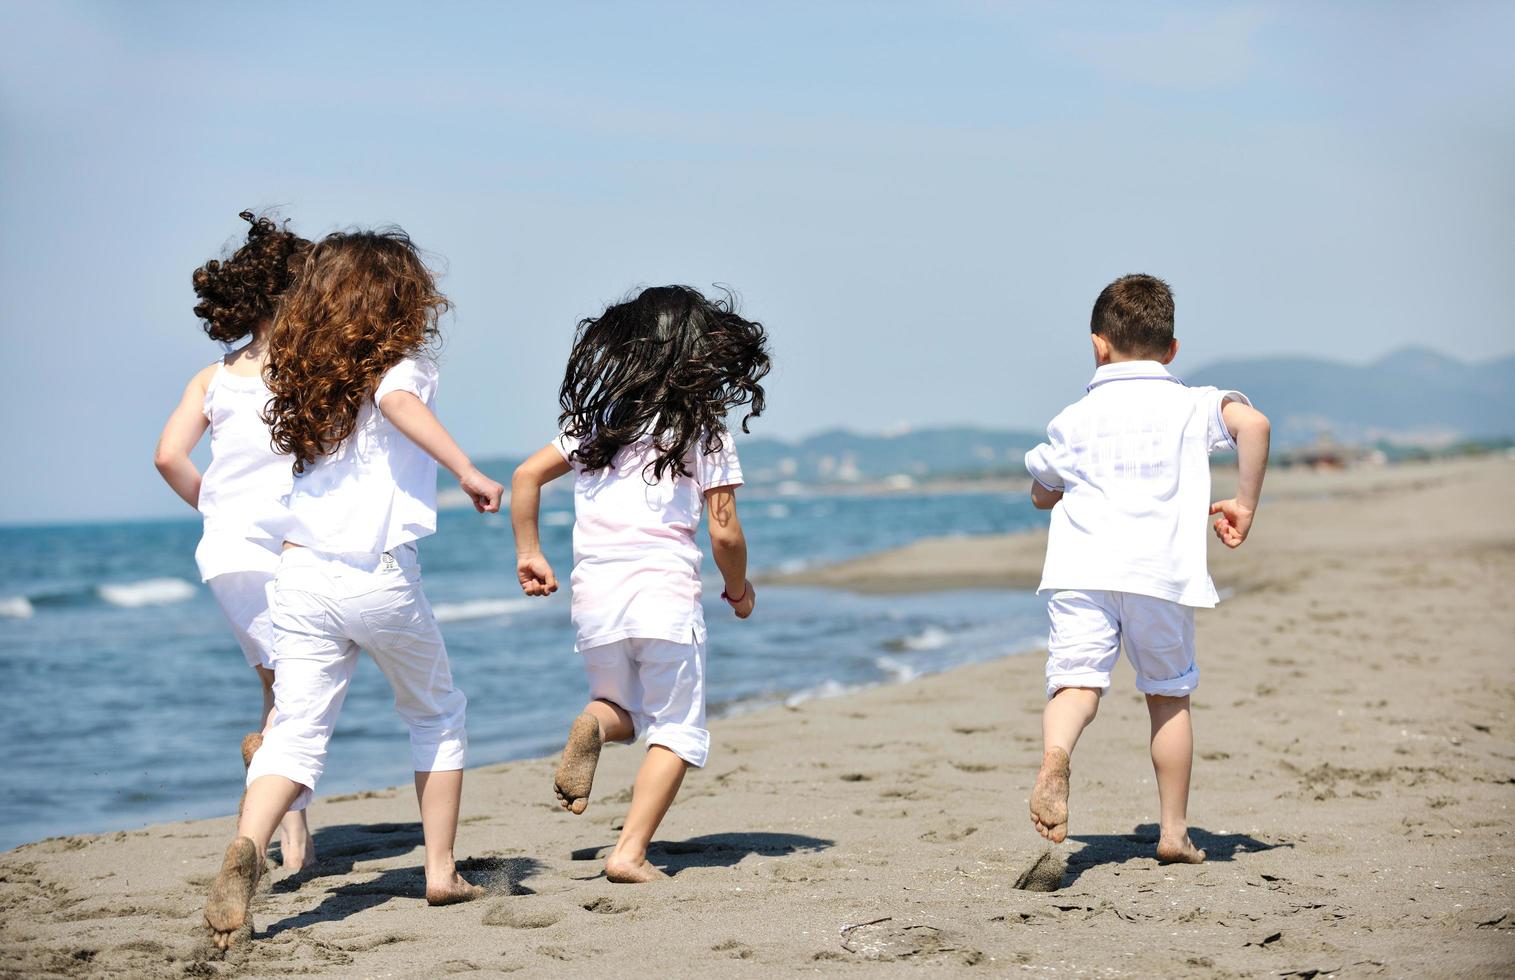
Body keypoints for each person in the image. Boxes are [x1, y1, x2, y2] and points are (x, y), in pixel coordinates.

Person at [202, 228, 505, 949]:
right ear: (400, 299)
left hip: (299, 576)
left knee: (296, 731)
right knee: (436, 711)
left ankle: (248, 845)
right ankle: (439, 870)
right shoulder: (403, 366)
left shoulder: (300, 374)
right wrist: (466, 470)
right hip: (377, 574)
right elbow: (399, 402)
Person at [511, 285, 770, 883]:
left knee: (620, 708)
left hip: (594, 597)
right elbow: (724, 534)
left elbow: (526, 476)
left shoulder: (597, 422)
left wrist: (530, 552)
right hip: (664, 595)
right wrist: (738, 590)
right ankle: (628, 853)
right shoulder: (703, 431)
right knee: (677, 727)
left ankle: (594, 726)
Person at [1022, 273, 1271, 864]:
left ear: (1097, 345)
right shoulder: (1192, 403)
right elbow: (1254, 426)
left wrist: (1053, 492)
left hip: (1080, 569)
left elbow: (1041, 489)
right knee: (1167, 695)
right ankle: (1173, 833)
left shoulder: (1074, 417)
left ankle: (1057, 757)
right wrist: (1244, 504)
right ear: (1172, 350)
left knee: (1076, 682)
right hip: (1159, 574)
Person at [153, 211, 315, 869]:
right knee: (300, 698)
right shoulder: (307, 372)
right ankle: (266, 837)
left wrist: (217, 509)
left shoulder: (211, 378)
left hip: (222, 554)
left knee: (280, 690)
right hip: (287, 552)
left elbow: (168, 456)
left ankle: (296, 842)